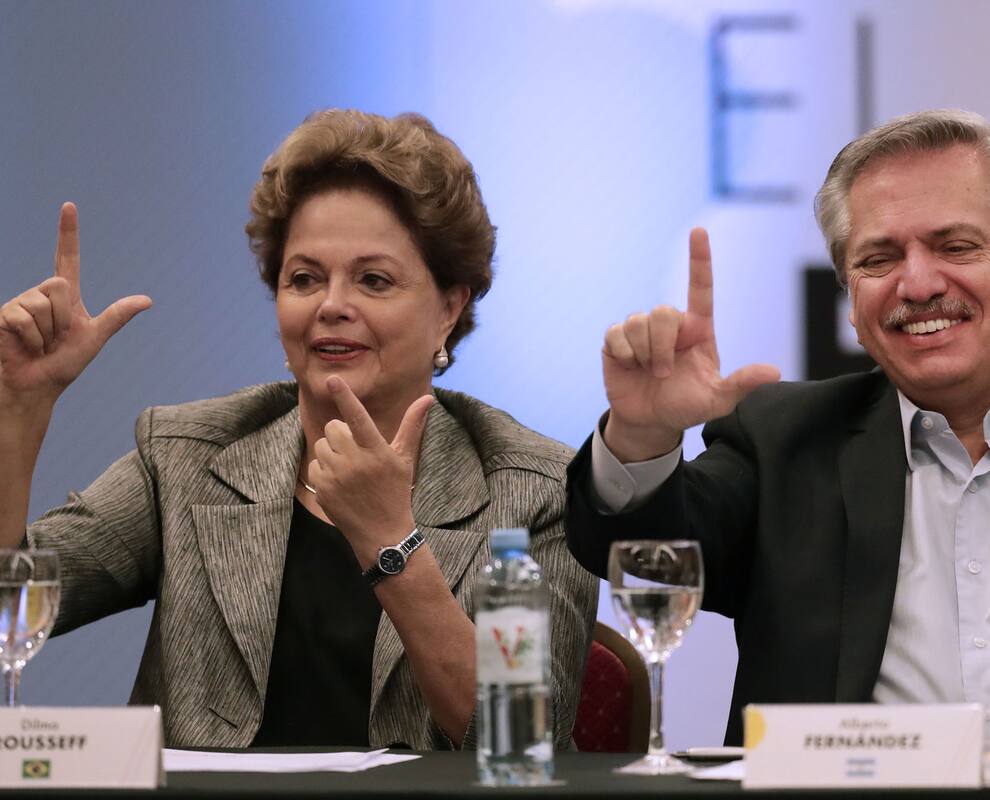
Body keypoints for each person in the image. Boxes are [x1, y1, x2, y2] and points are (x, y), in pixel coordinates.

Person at [565, 109, 990, 752]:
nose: (918, 284)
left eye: (956, 246)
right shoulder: (785, 438)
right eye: (879, 257)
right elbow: (645, 551)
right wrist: (641, 434)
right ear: (848, 291)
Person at [0, 110, 598, 750]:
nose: (330, 305)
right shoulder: (188, 458)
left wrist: (392, 540)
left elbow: (521, 740)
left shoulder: (532, 490)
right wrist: (17, 411)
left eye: (373, 280)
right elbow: (11, 608)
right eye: (304, 278)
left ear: (449, 308)